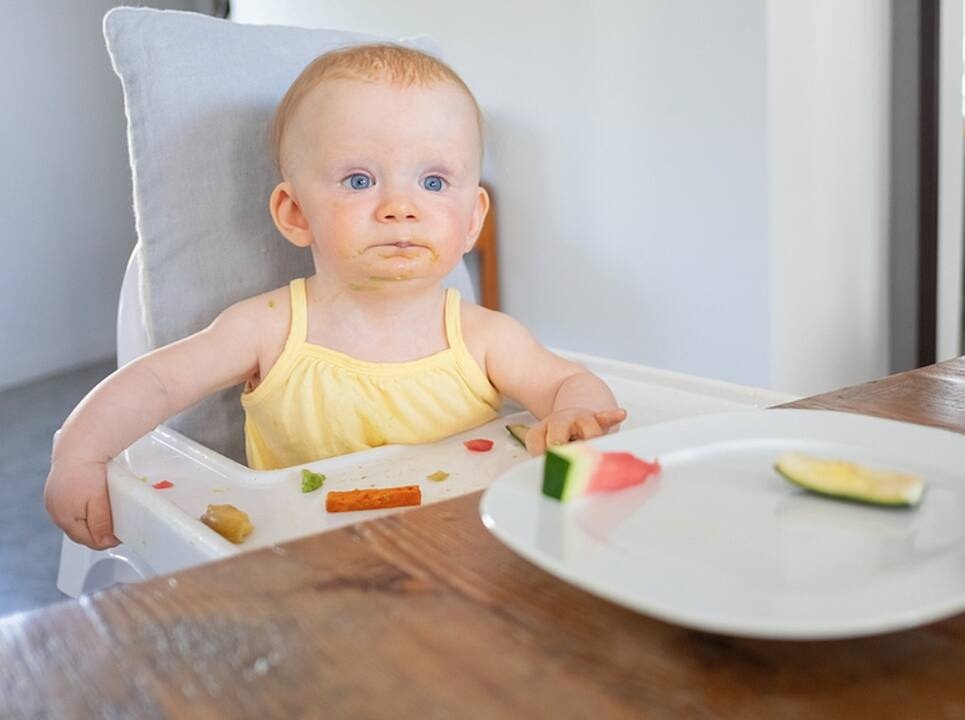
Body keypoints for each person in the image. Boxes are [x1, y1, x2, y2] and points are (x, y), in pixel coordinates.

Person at [46, 44, 626, 551]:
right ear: (296, 213)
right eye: (359, 180)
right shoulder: (269, 329)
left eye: (433, 182)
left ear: (473, 217)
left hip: (464, 555)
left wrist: (574, 416)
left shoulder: (487, 339)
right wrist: (80, 453)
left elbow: (571, 387)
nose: (401, 206)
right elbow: (156, 382)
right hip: (306, 567)